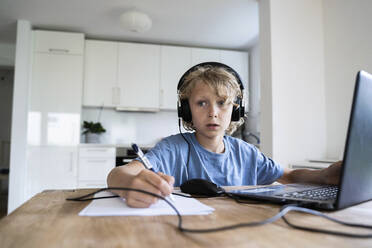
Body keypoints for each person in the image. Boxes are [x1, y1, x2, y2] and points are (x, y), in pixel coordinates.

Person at [107, 63, 342, 208]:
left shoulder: (247, 153)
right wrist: (128, 184)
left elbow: (288, 176)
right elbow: (119, 174)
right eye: (201, 103)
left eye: (222, 104)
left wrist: (325, 175)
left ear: (235, 110)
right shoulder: (172, 149)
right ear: (187, 110)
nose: (213, 113)